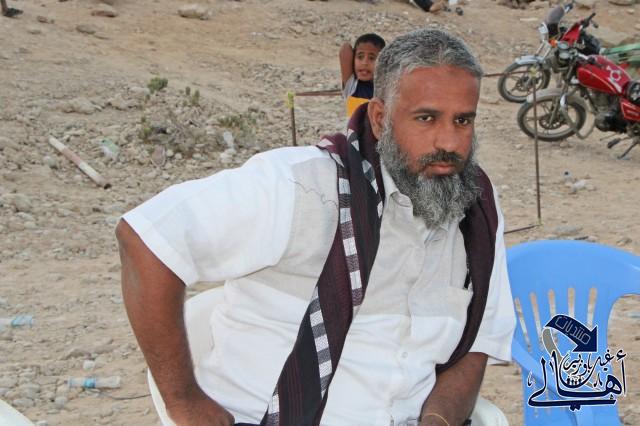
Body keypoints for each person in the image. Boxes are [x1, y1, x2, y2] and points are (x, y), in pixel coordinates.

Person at [116, 28, 516, 426]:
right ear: (380, 119)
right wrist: (184, 402)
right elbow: (147, 240)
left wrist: (439, 421)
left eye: (463, 120)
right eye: (426, 118)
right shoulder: (301, 187)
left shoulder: (476, 208)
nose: (449, 142)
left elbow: (477, 344)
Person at [339, 33, 385, 118]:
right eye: (360, 57)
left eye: (371, 58)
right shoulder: (352, 86)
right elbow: (345, 48)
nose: (364, 63)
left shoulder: (384, 89)